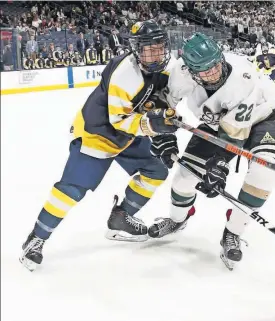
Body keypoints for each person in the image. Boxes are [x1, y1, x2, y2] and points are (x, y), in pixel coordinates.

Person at [20, 20, 180, 271]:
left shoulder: (167, 67)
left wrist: (166, 130)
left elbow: (158, 100)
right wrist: (155, 126)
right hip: (100, 132)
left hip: (129, 132)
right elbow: (120, 121)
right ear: (137, 49)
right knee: (71, 190)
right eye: (149, 49)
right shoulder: (125, 75)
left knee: (157, 170)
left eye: (159, 47)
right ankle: (37, 238)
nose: (155, 54)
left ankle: (121, 217)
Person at [146, 33, 275, 271]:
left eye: (215, 65)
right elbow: (166, 103)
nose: (213, 73)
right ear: (190, 70)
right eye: (204, 70)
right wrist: (161, 128)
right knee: (185, 178)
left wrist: (218, 165)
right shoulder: (181, 74)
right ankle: (178, 220)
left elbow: (234, 134)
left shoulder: (243, 78)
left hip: (262, 119)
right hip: (217, 124)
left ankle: (232, 232)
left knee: (263, 174)